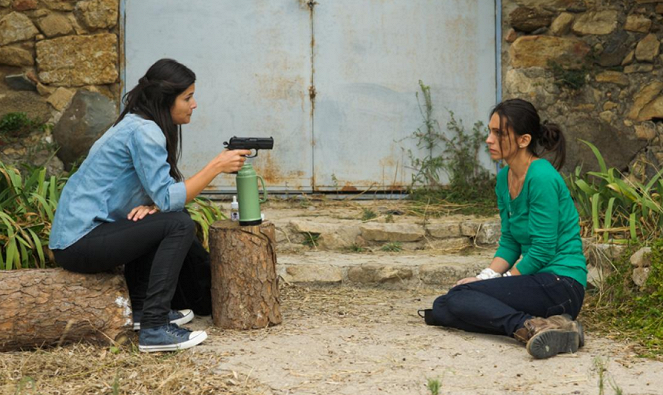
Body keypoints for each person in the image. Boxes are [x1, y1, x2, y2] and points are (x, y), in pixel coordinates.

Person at [49, 59, 251, 352]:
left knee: (171, 217)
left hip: (85, 237)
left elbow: (161, 197)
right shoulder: (144, 131)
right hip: (79, 243)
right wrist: (216, 166)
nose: (193, 105)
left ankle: (143, 312)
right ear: (165, 100)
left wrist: (153, 206)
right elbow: (170, 197)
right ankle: (155, 328)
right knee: (178, 223)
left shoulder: (137, 123)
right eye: (187, 97)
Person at [423, 98, 587, 359]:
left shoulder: (541, 176)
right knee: (441, 308)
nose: (489, 139)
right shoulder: (504, 178)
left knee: (458, 300)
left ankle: (525, 327)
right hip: (534, 281)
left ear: (523, 140)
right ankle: (552, 327)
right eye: (490, 131)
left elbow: (543, 251)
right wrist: (485, 278)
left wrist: (502, 281)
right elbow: (510, 241)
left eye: (498, 133)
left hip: (561, 284)